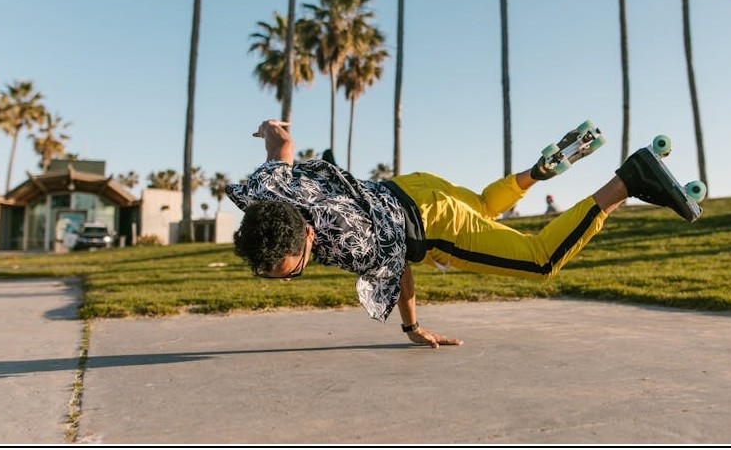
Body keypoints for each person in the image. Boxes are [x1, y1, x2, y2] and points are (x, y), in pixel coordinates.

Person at [228, 119, 702, 349]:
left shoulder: (354, 244)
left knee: (540, 259)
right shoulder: (266, 187)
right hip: (413, 185)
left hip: (431, 223)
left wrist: (411, 328)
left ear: (310, 233)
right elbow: (282, 142)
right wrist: (269, 127)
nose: (291, 277)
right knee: (482, 207)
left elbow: (400, 270)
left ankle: (629, 181)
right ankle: (533, 174)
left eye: (295, 269)